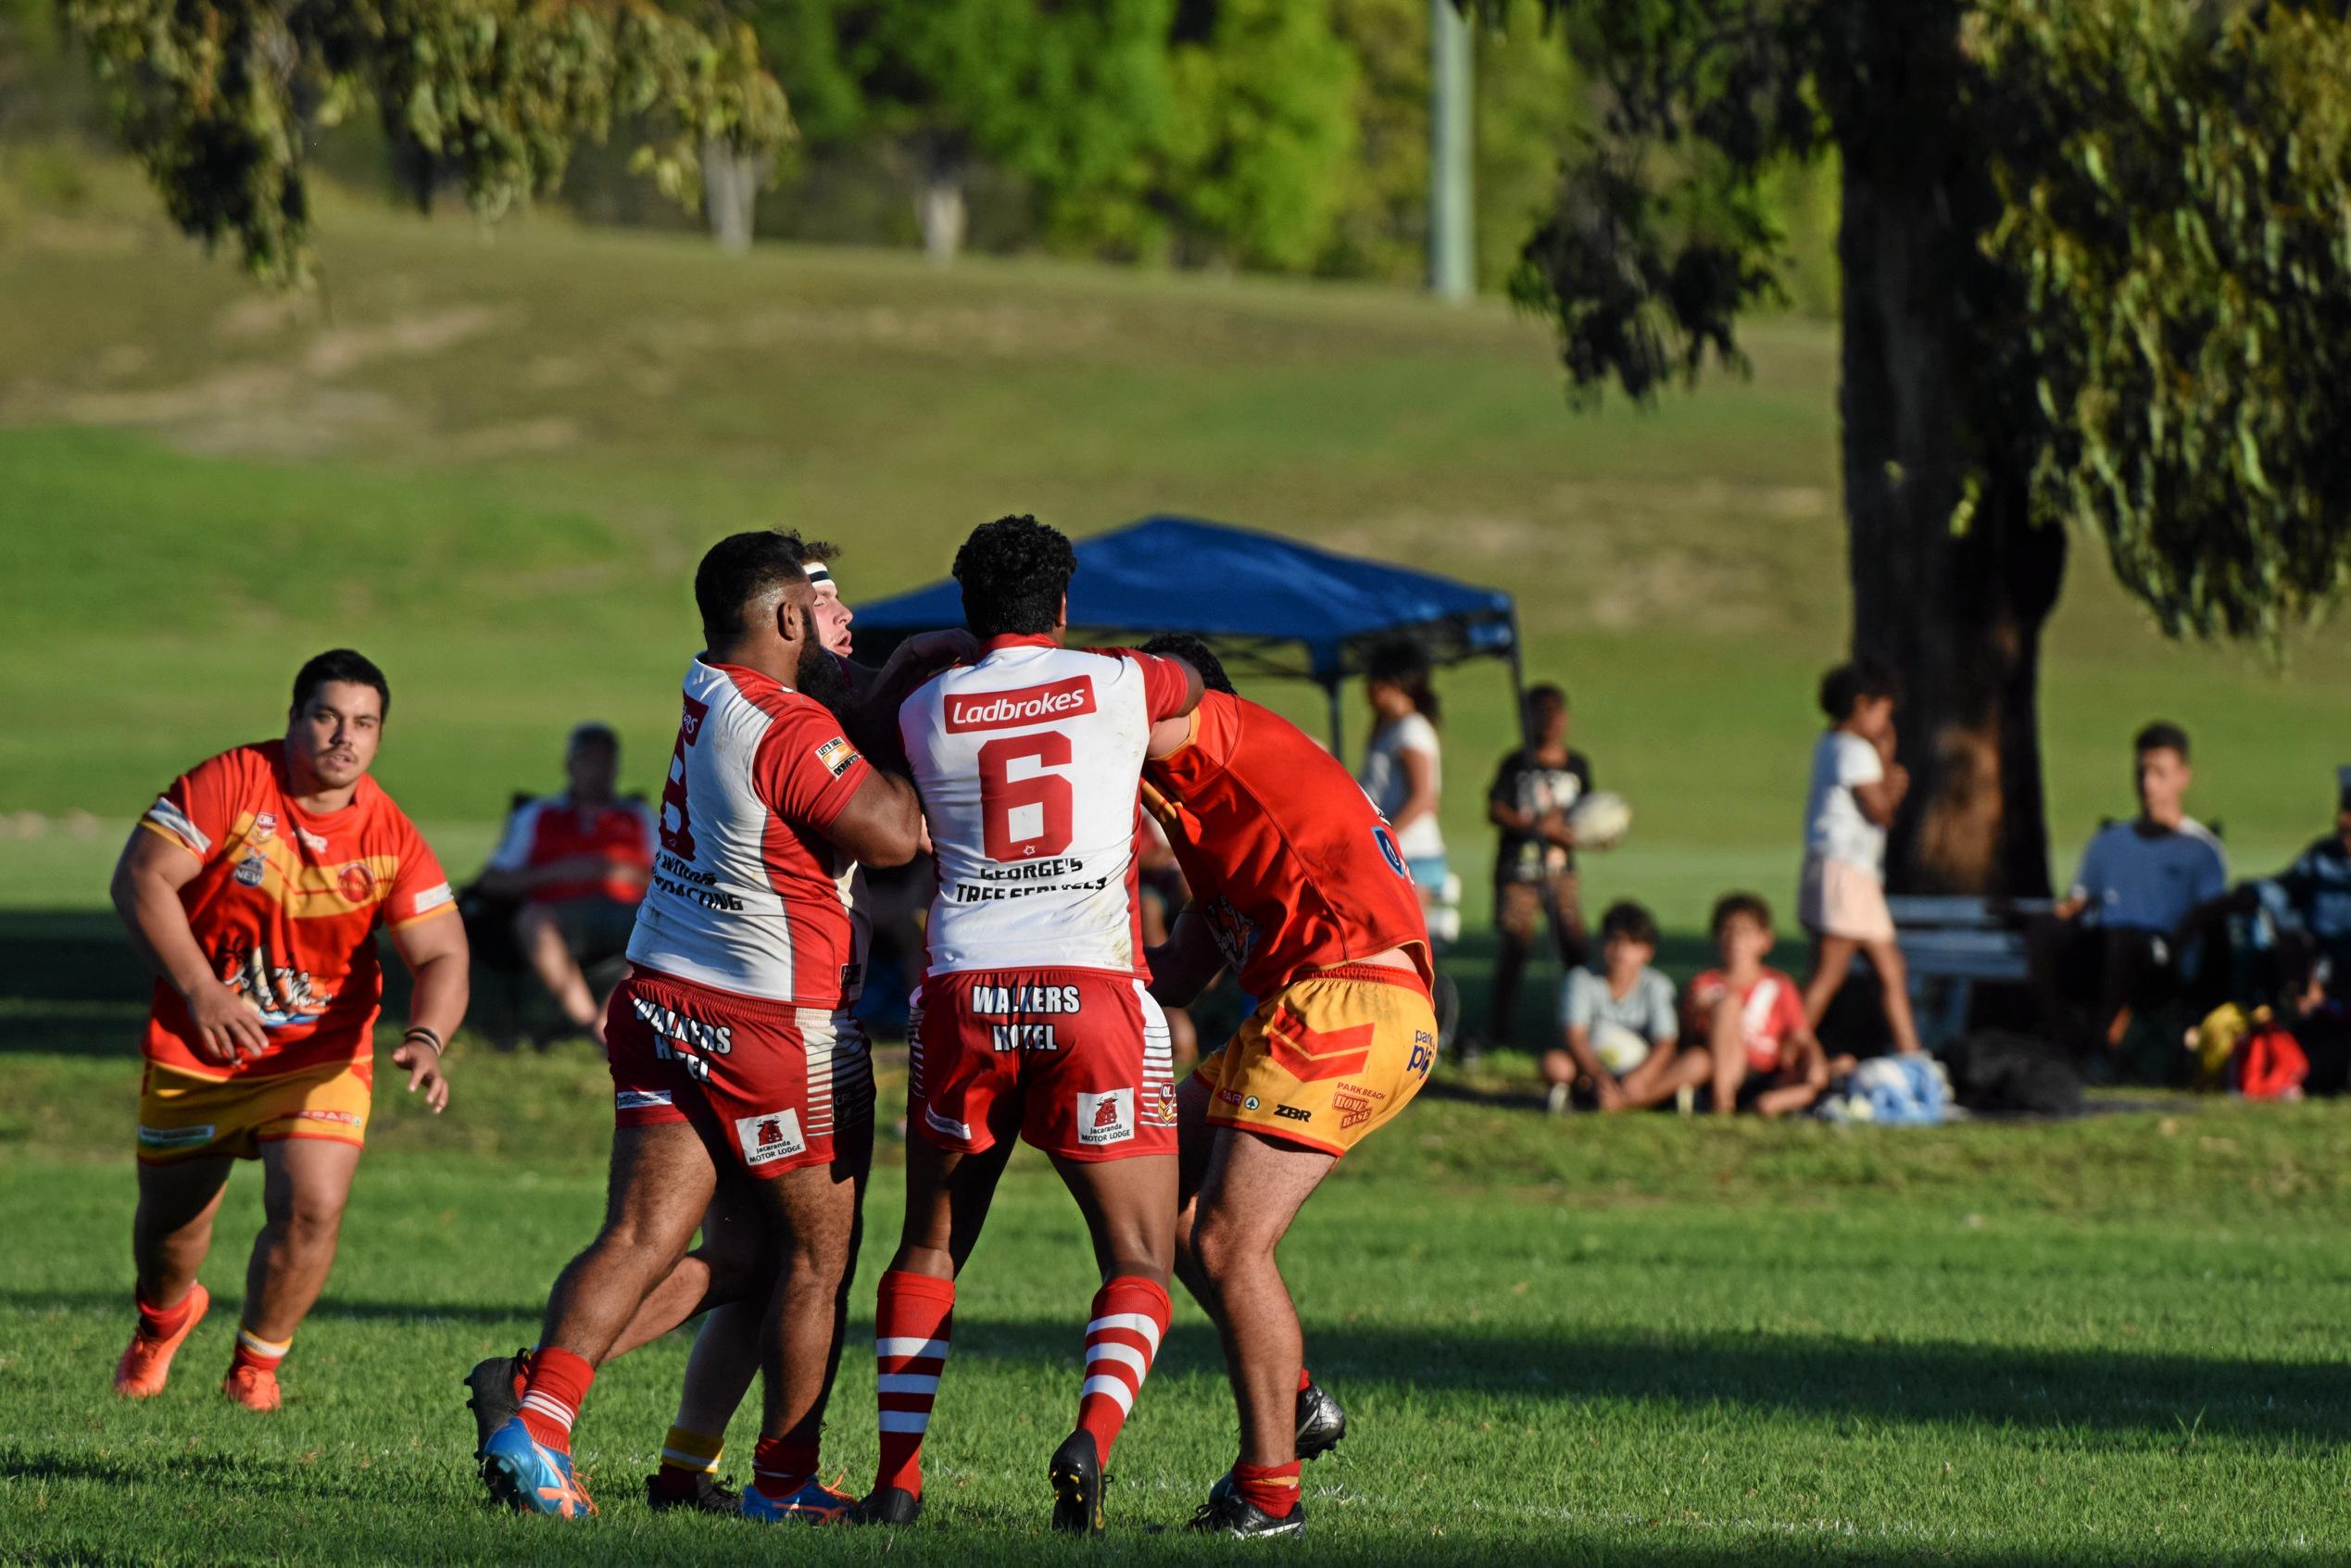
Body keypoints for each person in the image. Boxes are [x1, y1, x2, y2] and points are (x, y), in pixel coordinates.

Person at [474, 533, 928, 1522]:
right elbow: (897, 837)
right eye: (820, 606)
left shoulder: (712, 684)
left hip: (659, 1000)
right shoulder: (784, 723)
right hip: (768, 1022)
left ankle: (542, 1419)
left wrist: (867, 681)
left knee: (672, 1239)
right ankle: (783, 1481)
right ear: (782, 619)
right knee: (816, 1258)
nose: (834, 621)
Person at [855, 514, 1201, 1536]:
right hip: (1092, 988)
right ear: (1062, 605)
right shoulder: (1123, 682)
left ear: (964, 614)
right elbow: (1198, 687)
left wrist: (925, 659)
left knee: (929, 1244)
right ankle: (1091, 1435)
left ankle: (896, 1482)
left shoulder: (924, 706)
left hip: (966, 990)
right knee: (1139, 1257)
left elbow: (869, 734)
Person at [1132, 634, 1436, 1539]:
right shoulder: (1212, 811)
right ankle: (1293, 1400)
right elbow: (1180, 968)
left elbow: (1115, 708)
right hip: (1316, 1001)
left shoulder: (1220, 732)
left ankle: (1269, 1498)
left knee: (1228, 1242)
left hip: (1351, 997)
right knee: (1153, 1197)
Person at [109, 649, 467, 1413]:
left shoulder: (389, 833)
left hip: (320, 1055)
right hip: (199, 1047)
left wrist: (428, 1038)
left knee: (311, 1203)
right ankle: (161, 1321)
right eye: (328, 716)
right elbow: (140, 878)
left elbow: (442, 951)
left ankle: (255, 1364)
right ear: (294, 718)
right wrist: (203, 990)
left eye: (364, 723)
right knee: (170, 1234)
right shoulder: (234, 781)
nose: (345, 736)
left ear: (379, 737)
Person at [2030, 722, 2229, 1057]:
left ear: (2183, 776)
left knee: (2126, 942)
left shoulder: (2201, 849)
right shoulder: (2109, 842)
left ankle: (2101, 1044)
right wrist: (2041, 918)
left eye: (2159, 772)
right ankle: (2063, 1042)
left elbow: (2209, 914)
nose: (2147, 783)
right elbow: (2077, 900)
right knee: (2045, 932)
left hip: (2165, 955)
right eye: (2141, 771)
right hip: (2106, 945)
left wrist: (2177, 942)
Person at [473, 722, 655, 1045]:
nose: (597, 771)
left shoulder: (638, 815)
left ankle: (610, 1017)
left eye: (605, 761)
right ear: (570, 765)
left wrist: (619, 872)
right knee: (532, 920)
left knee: (666, 921)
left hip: (629, 915)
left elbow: (676, 880)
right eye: (588, 761)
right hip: (560, 914)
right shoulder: (538, 814)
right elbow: (492, 882)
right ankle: (592, 1023)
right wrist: (561, 871)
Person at [1796, 661, 1922, 1056]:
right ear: (1861, 704)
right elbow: (1879, 811)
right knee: (1828, 975)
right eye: (1884, 711)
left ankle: (1911, 1056)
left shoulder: (1829, 743)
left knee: (1891, 970)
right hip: (1846, 870)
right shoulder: (1854, 750)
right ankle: (1781, 1054)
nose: (1887, 723)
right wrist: (1890, 771)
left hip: (1845, 870)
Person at [1485, 684, 1592, 1054]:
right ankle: (1499, 1027)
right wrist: (1534, 827)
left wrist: (1583, 834)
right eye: (1539, 712)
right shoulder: (1516, 765)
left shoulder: (1577, 766)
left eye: (1554, 712)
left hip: (1560, 871)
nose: (1548, 722)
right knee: (1517, 945)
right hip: (1520, 870)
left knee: (1574, 943)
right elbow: (1495, 809)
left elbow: (1588, 815)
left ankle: (1582, 1020)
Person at [1682, 893, 1834, 1118]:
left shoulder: (1778, 984)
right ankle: (1722, 1101)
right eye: (1728, 930)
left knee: (1839, 1065)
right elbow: (1687, 1035)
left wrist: (1815, 1060)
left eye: (1745, 932)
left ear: (1765, 940)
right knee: (1728, 1004)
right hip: (1728, 1068)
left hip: (1766, 1071)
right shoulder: (1705, 984)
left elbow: (1801, 1035)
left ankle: (1772, 1102)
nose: (1735, 940)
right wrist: (1700, 1008)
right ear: (1716, 936)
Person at [1543, 900, 1680, 1114]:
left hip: (1641, 1069)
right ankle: (1627, 1097)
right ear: (1602, 942)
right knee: (1555, 1064)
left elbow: (1665, 1042)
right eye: (1615, 941)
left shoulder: (1657, 986)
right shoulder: (1581, 979)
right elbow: (1575, 1035)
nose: (1621, 951)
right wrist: (1598, 1076)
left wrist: (1640, 1076)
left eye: (1633, 943)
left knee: (1696, 1062)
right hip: (1591, 1068)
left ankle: (1625, 1099)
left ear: (1648, 952)